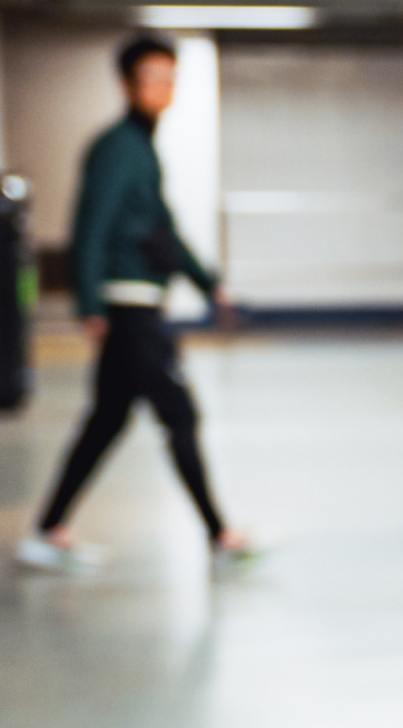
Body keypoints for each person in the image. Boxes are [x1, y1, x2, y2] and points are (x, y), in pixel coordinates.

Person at [19, 34, 259, 574]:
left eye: (170, 79)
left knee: (106, 420)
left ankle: (47, 529)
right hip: (128, 306)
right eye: (151, 79)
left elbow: (163, 229)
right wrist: (88, 304)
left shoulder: (142, 147)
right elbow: (91, 225)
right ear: (127, 84)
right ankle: (221, 534)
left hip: (143, 299)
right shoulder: (117, 147)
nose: (162, 89)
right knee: (179, 413)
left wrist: (208, 283)